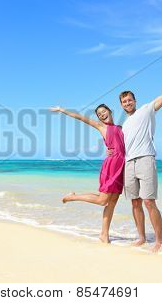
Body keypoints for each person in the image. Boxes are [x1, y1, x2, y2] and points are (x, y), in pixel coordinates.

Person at [111, 59, 162, 252]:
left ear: (135, 101)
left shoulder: (147, 110)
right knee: (135, 202)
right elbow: (121, 146)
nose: (127, 103)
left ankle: (160, 241)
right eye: (124, 101)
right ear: (121, 105)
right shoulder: (125, 125)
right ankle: (141, 237)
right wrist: (110, 151)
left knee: (149, 201)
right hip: (129, 164)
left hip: (146, 159)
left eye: (129, 99)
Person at [50, 104, 125, 243]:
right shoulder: (102, 127)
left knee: (112, 202)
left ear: (110, 111)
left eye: (104, 112)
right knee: (102, 200)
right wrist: (62, 110)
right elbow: (80, 118)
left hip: (122, 167)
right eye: (99, 114)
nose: (102, 115)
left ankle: (104, 234)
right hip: (111, 166)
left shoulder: (120, 128)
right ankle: (72, 197)